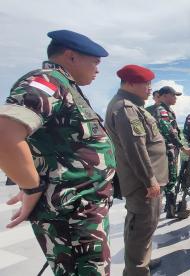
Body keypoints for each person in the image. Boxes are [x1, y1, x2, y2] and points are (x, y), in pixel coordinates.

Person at [0, 30, 115, 275]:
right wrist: (30, 186)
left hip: (82, 209)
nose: (98, 69)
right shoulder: (47, 82)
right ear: (70, 56)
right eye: (94, 61)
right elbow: (5, 134)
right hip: (72, 213)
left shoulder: (66, 86)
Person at [105, 64, 166, 275]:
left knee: (146, 225)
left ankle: (142, 262)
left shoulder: (131, 105)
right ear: (130, 83)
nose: (150, 88)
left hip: (146, 181)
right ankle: (137, 270)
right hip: (143, 183)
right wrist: (150, 180)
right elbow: (135, 149)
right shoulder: (125, 108)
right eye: (145, 83)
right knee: (140, 227)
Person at [151, 86, 190, 219]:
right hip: (167, 149)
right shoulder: (161, 110)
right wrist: (183, 147)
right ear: (164, 95)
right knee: (170, 179)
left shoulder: (167, 110)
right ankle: (170, 210)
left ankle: (171, 209)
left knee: (172, 178)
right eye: (173, 95)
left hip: (171, 149)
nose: (175, 98)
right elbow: (168, 130)